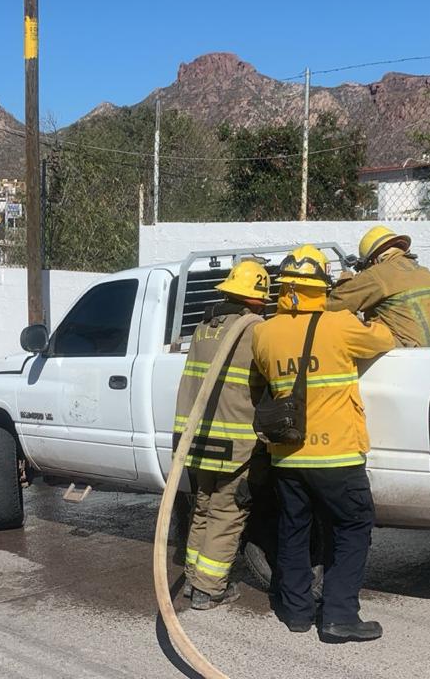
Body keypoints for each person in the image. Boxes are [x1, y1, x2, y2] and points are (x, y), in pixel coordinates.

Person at [252, 245, 394, 642]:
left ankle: (296, 611)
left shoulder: (264, 334)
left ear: (284, 288)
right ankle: (338, 615)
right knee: (352, 526)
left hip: (286, 455)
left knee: (294, 529)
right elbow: (383, 339)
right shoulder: (340, 324)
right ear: (321, 288)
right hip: (337, 454)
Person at [175, 259, 271, 610]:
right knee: (227, 513)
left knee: (202, 507)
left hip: (197, 439)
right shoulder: (255, 329)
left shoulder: (205, 326)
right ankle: (209, 589)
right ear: (258, 298)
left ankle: (192, 579)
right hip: (236, 443)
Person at [328, 226, 430, 349]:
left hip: (414, 357)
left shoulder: (377, 273)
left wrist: (344, 281)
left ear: (372, 260)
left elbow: (333, 305)